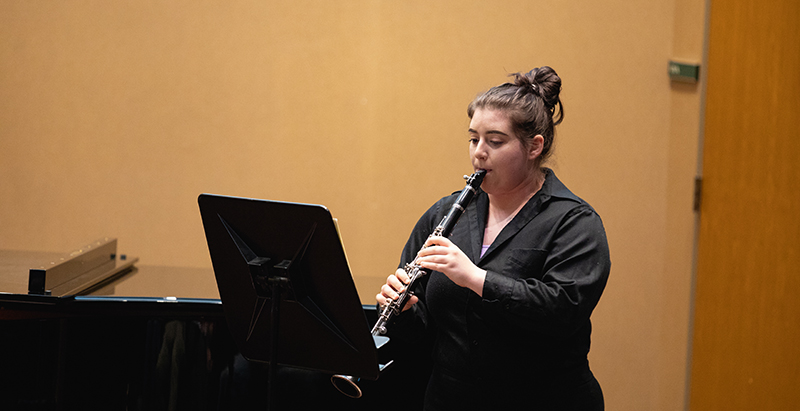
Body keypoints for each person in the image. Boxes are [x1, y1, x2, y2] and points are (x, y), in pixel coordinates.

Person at [377, 66, 611, 410]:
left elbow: (562, 313)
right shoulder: (445, 212)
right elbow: (426, 328)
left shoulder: (574, 222)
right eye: (474, 139)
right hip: (450, 397)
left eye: (495, 141)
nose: (478, 153)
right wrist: (404, 312)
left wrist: (476, 278)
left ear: (534, 146)